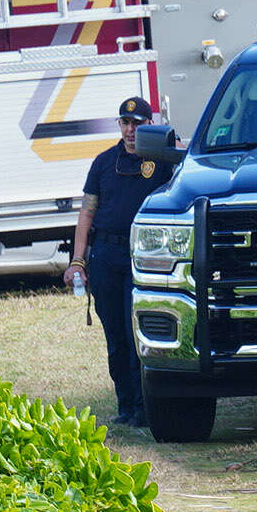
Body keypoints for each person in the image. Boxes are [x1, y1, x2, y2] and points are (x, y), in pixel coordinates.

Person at [65, 96, 174, 427]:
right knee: (115, 335)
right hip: (107, 257)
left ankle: (145, 407)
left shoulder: (164, 160)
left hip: (142, 255)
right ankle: (125, 405)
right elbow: (87, 212)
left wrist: (169, 142)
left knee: (136, 335)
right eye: (126, 123)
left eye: (138, 124)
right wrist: (78, 260)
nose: (131, 130)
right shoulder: (103, 162)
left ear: (150, 125)